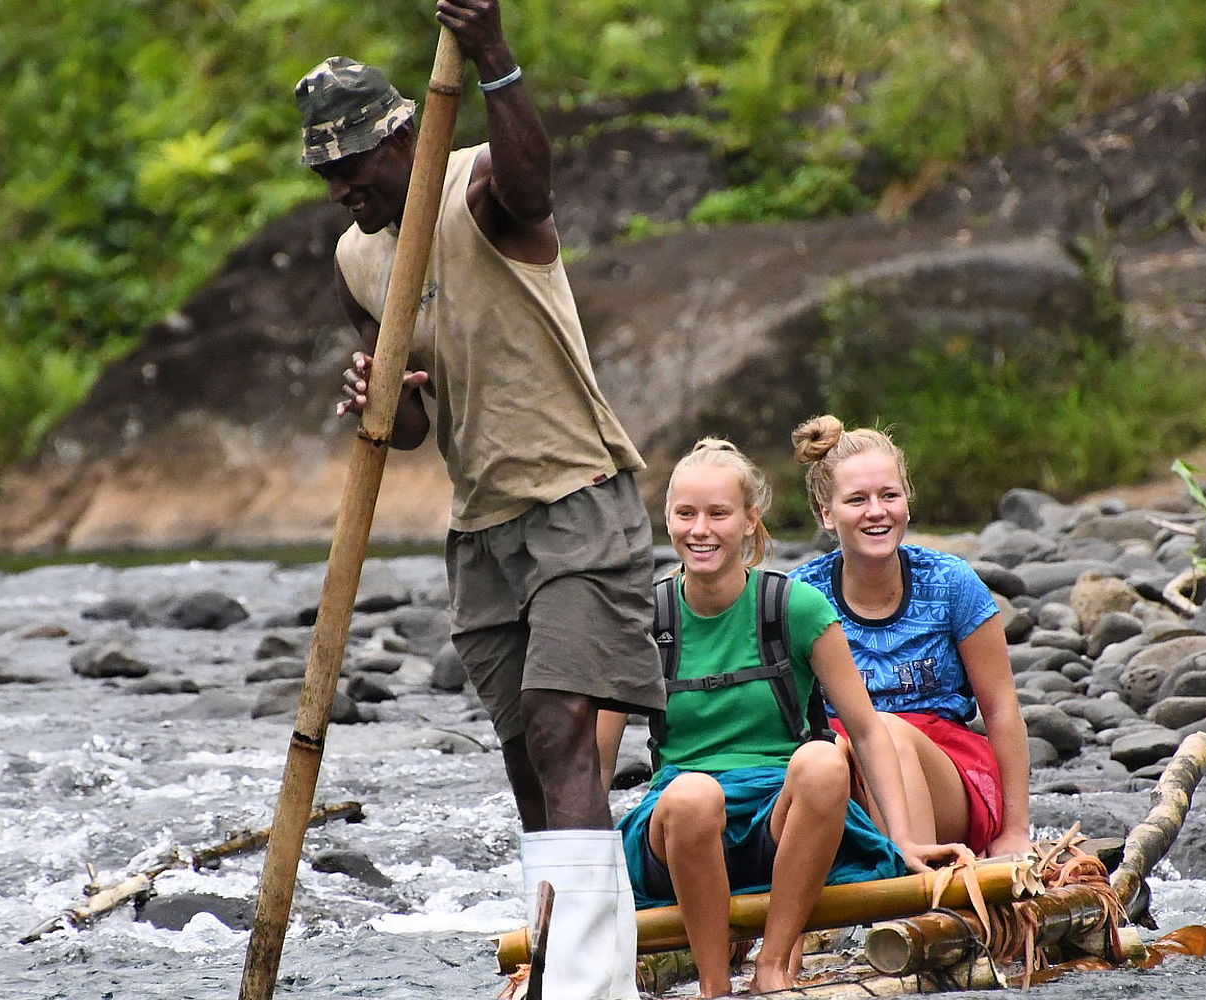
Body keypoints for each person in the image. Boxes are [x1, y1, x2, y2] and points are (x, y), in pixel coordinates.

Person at [296, 4, 658, 997]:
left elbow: (535, 186)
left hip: (575, 498)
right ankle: (565, 962)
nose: (337, 194)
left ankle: (593, 986)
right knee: (523, 761)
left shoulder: (475, 187)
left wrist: (494, 55)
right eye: (321, 178)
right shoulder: (358, 261)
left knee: (558, 727)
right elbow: (410, 428)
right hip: (481, 529)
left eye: (348, 171)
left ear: (398, 140)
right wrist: (373, 402)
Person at [617, 439, 970, 997]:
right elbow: (589, 761)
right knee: (693, 796)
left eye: (718, 514)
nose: (700, 529)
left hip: (778, 823)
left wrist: (902, 837)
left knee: (823, 759)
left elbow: (867, 730)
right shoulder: (642, 619)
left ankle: (774, 966)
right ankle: (715, 985)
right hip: (676, 827)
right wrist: (576, 867)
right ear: (668, 520)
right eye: (686, 514)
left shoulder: (795, 608)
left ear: (750, 520)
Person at [787, 415, 1035, 859]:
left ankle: (916, 898)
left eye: (889, 495)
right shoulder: (801, 598)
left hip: (946, 771)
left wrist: (1015, 830)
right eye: (857, 500)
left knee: (885, 731)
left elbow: (1001, 708)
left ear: (907, 500)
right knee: (825, 756)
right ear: (827, 513)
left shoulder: (952, 583)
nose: (876, 511)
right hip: (846, 779)